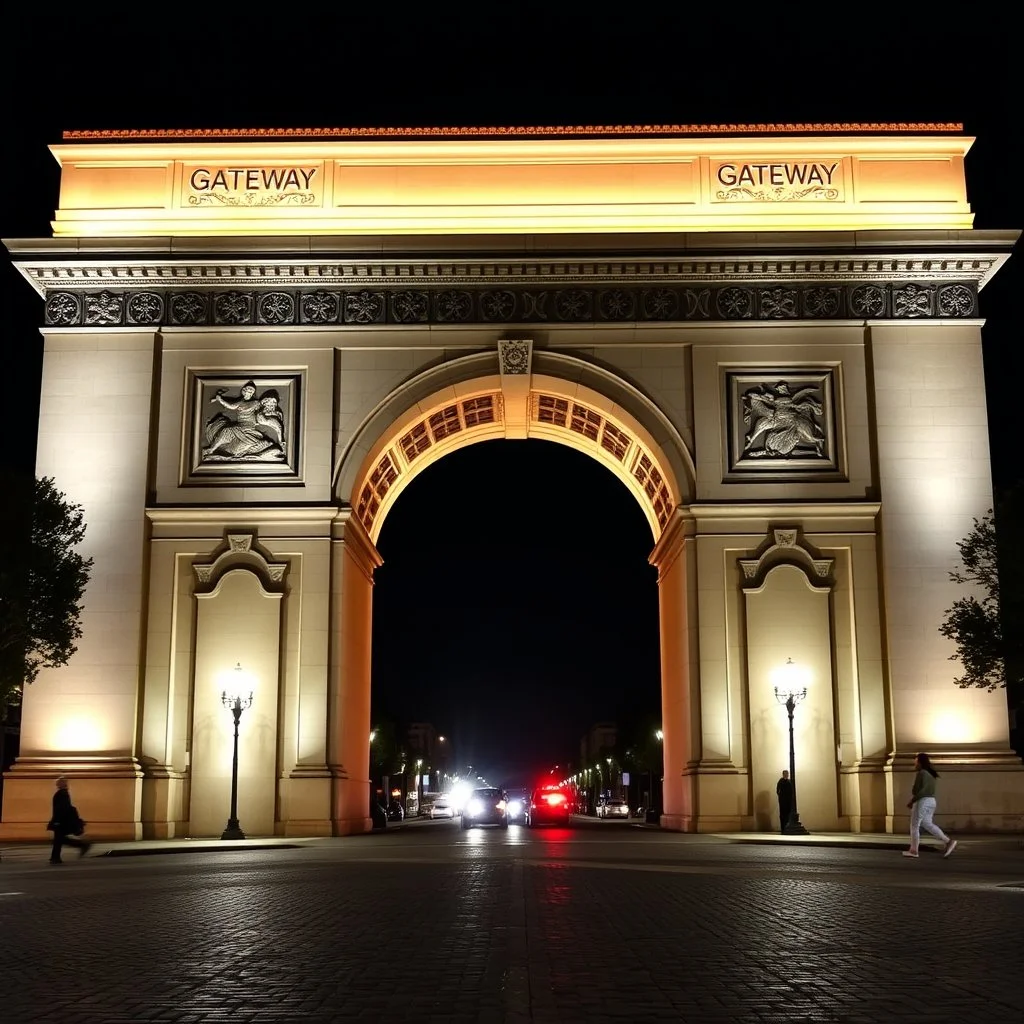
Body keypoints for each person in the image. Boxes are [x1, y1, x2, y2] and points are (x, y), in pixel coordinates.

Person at [903, 752, 957, 859]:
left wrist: (912, 801)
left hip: (922, 801)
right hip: (931, 801)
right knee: (927, 823)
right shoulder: (931, 774)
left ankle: (914, 851)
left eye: (916, 761)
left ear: (920, 763)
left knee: (914, 825)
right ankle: (948, 841)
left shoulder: (921, 773)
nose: (915, 764)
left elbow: (918, 791)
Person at [47, 777, 91, 863]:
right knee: (59, 839)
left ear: (63, 784)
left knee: (58, 839)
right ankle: (56, 857)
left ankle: (56, 857)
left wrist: (57, 821)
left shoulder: (62, 793)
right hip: (61, 820)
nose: (57, 784)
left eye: (59, 783)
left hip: (61, 821)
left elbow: (62, 808)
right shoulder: (64, 793)